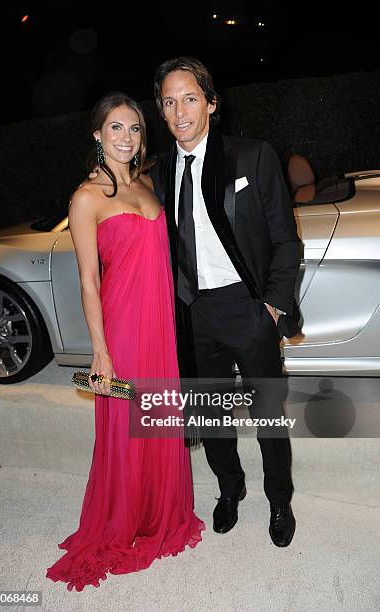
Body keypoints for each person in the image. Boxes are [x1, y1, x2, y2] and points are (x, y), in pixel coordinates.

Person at [46, 92, 204, 592]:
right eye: (116, 128)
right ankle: (124, 518)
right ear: (97, 135)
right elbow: (89, 281)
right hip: (123, 326)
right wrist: (101, 351)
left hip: (159, 324)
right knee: (128, 421)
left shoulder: (146, 183)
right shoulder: (86, 197)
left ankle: (159, 512)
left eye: (134, 128)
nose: (126, 137)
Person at [150, 57, 301, 546]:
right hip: (195, 314)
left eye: (189, 97)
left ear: (212, 103)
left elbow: (285, 241)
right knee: (211, 419)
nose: (179, 111)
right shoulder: (159, 172)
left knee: (268, 417)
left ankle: (279, 499)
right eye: (169, 101)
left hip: (248, 307)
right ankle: (229, 490)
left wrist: (272, 309)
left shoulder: (253, 157)